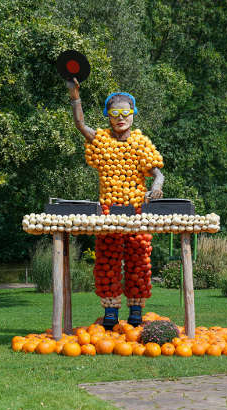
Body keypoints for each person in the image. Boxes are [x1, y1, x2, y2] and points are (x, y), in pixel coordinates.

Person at [66, 78, 164, 329]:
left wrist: (157, 185)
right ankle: (110, 313)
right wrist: (75, 95)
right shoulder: (101, 141)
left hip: (137, 212)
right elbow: (80, 124)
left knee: (139, 260)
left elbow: (157, 173)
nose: (120, 118)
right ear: (109, 116)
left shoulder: (141, 144)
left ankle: (136, 313)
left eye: (125, 113)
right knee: (108, 259)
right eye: (115, 113)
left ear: (133, 114)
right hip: (109, 211)